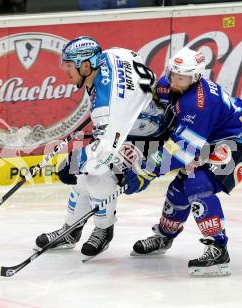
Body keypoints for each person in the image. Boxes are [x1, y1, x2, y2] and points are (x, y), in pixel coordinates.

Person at [124, 47, 242, 276]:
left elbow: (180, 151)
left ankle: (218, 249)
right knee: (178, 189)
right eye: (172, 73)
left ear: (195, 77)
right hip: (209, 137)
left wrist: (144, 171)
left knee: (197, 183)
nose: (175, 81)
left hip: (239, 141)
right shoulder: (168, 83)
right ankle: (164, 237)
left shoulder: (198, 104)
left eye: (182, 77)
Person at [34, 36, 171, 261]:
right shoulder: (111, 53)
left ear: (86, 65)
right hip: (134, 124)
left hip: (152, 139)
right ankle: (71, 230)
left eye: (69, 66)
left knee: (98, 175)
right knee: (83, 175)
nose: (65, 72)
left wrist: (74, 162)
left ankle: (103, 230)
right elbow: (135, 59)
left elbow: (104, 153)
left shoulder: (108, 105)